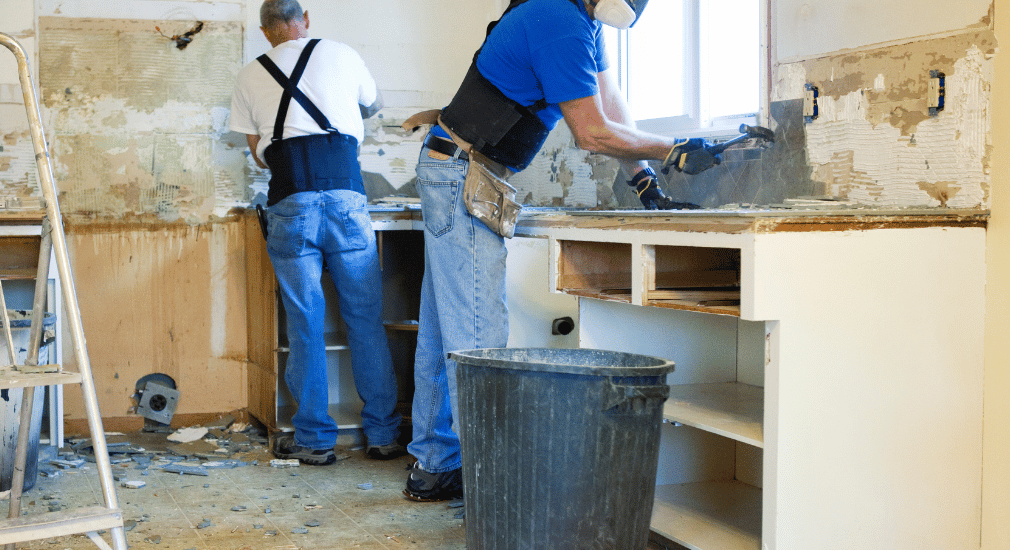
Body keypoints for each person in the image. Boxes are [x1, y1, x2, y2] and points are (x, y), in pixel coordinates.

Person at [398, 0, 722, 501]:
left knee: (448, 327)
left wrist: (645, 182)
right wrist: (673, 148)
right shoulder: (559, 18)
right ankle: (493, 488)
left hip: (457, 168)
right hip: (464, 174)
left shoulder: (582, 21)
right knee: (478, 337)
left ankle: (436, 465)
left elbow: (610, 106)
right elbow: (591, 132)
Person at [229, 0, 403, 466]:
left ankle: (314, 440)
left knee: (305, 322)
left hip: (291, 200)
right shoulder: (342, 53)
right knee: (364, 319)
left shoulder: (249, 75)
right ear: (304, 21)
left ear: (265, 31)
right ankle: (383, 435)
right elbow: (372, 105)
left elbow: (258, 155)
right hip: (346, 196)